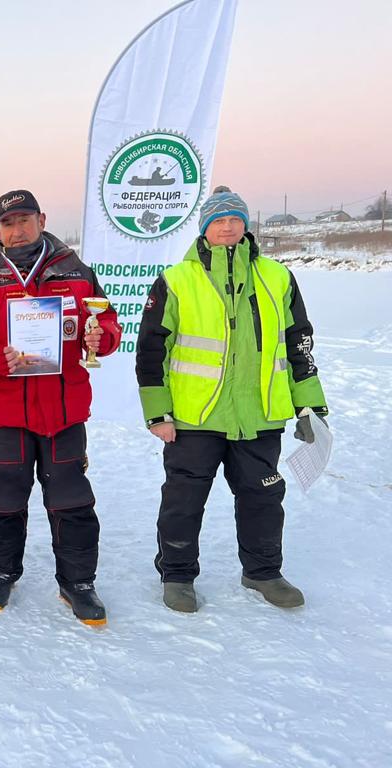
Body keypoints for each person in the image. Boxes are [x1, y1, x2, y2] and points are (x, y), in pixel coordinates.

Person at [136, 185, 327, 613]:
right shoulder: (176, 280)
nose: (228, 227)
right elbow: (151, 351)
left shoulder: (278, 277)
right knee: (183, 500)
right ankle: (178, 575)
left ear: (246, 226)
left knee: (263, 497)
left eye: (235, 220)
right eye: (219, 220)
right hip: (193, 418)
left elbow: (298, 344)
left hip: (258, 415)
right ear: (205, 228)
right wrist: (157, 413)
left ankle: (263, 572)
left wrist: (310, 405)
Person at [0, 190, 120, 626]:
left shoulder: (76, 271)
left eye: (25, 219)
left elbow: (105, 322)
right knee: (4, 496)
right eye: (8, 223)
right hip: (3, 411)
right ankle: (0, 572)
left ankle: (78, 582)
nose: (18, 228)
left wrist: (103, 337)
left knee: (71, 498)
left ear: (42, 220)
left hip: (62, 410)